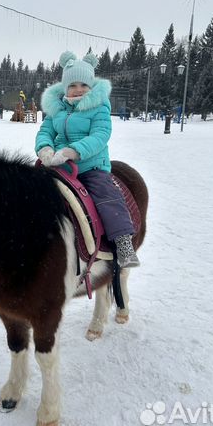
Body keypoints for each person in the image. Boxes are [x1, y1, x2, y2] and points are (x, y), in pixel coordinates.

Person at [35, 51, 139, 268]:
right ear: (65, 87)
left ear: (91, 85)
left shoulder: (99, 106)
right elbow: (45, 131)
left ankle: (123, 242)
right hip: (57, 164)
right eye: (73, 85)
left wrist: (73, 151)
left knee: (106, 194)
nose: (78, 89)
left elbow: (100, 135)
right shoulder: (57, 108)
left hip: (91, 164)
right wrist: (44, 148)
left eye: (83, 84)